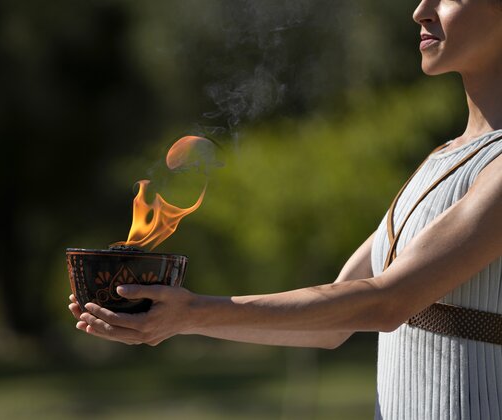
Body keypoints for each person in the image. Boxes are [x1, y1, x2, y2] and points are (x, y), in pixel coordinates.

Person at [68, 0, 502, 418]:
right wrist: (176, 320)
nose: (420, 11)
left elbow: (387, 303)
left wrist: (195, 310)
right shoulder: (440, 161)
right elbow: (332, 326)